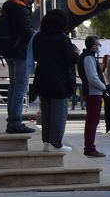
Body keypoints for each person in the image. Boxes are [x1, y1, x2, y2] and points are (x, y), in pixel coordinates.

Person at [31, 10, 78, 152]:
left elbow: (35, 56)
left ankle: (46, 142)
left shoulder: (38, 37)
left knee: (46, 113)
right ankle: (56, 143)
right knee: (59, 113)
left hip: (42, 78)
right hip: (59, 81)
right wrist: (75, 52)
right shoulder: (62, 38)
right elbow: (71, 57)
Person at [2, 0, 36, 134]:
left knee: (14, 87)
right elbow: (26, 32)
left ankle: (12, 120)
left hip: (8, 51)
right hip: (20, 53)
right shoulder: (22, 11)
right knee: (20, 88)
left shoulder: (8, 8)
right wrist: (37, 36)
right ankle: (15, 122)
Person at [76, 36, 107, 158]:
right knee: (92, 122)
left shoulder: (87, 56)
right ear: (93, 45)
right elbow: (92, 77)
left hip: (92, 92)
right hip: (93, 93)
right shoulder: (88, 57)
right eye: (97, 45)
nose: (98, 47)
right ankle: (90, 148)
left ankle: (89, 147)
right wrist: (104, 87)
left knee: (92, 121)